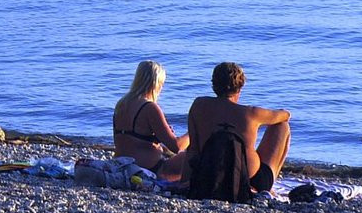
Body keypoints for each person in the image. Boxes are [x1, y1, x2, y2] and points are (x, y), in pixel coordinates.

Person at [186, 61, 291, 196]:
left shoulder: (198, 105)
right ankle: (267, 190)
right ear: (240, 87)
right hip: (249, 179)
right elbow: (285, 115)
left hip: (207, 175)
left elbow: (193, 149)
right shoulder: (251, 113)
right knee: (282, 126)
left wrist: (186, 181)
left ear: (214, 85)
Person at [112, 60, 190, 179]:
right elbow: (176, 146)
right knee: (193, 155)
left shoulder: (121, 104)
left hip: (121, 165)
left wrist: (157, 138)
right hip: (149, 170)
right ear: (156, 83)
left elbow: (127, 140)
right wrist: (193, 133)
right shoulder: (150, 108)